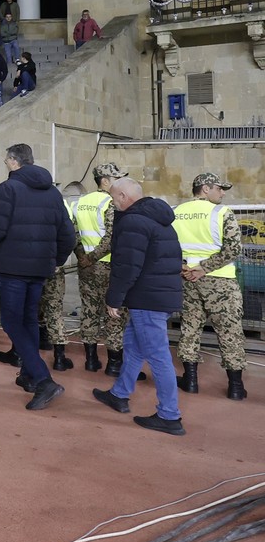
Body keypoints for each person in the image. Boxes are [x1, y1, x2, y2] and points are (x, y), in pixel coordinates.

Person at [0, 143, 77, 411]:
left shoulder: (7, 189)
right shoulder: (53, 192)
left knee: (11, 321)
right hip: (40, 268)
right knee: (29, 317)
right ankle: (29, 374)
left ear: (12, 161)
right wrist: (56, 260)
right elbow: (67, 233)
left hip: (12, 267)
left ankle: (43, 379)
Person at [92, 178, 185, 436]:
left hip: (147, 299)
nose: (113, 204)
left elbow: (127, 265)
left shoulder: (133, 222)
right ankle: (119, 394)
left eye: (113, 199)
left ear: (123, 196)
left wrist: (114, 298)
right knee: (133, 346)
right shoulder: (159, 218)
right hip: (159, 296)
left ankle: (169, 415)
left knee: (158, 356)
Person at [172, 172, 248, 401]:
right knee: (230, 333)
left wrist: (185, 266)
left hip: (187, 280)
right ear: (205, 188)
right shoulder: (222, 213)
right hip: (221, 282)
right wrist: (204, 268)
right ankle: (235, 387)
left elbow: (166, 244)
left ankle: (190, 380)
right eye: (219, 188)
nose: (222, 193)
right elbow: (233, 249)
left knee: (190, 328)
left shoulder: (176, 212)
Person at [75, 163, 127, 374]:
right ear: (104, 181)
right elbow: (110, 238)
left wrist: (82, 257)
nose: (119, 183)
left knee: (89, 310)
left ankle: (91, 360)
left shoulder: (80, 202)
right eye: (116, 179)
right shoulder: (111, 203)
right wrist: (94, 257)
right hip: (107, 265)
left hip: (86, 266)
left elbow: (73, 233)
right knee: (114, 313)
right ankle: (114, 365)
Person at [39, 183, 80, 372]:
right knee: (54, 310)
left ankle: (33, 348)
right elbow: (71, 238)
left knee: (31, 308)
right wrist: (59, 260)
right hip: (54, 267)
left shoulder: (30, 206)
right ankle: (59, 358)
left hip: (32, 268)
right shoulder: (63, 210)